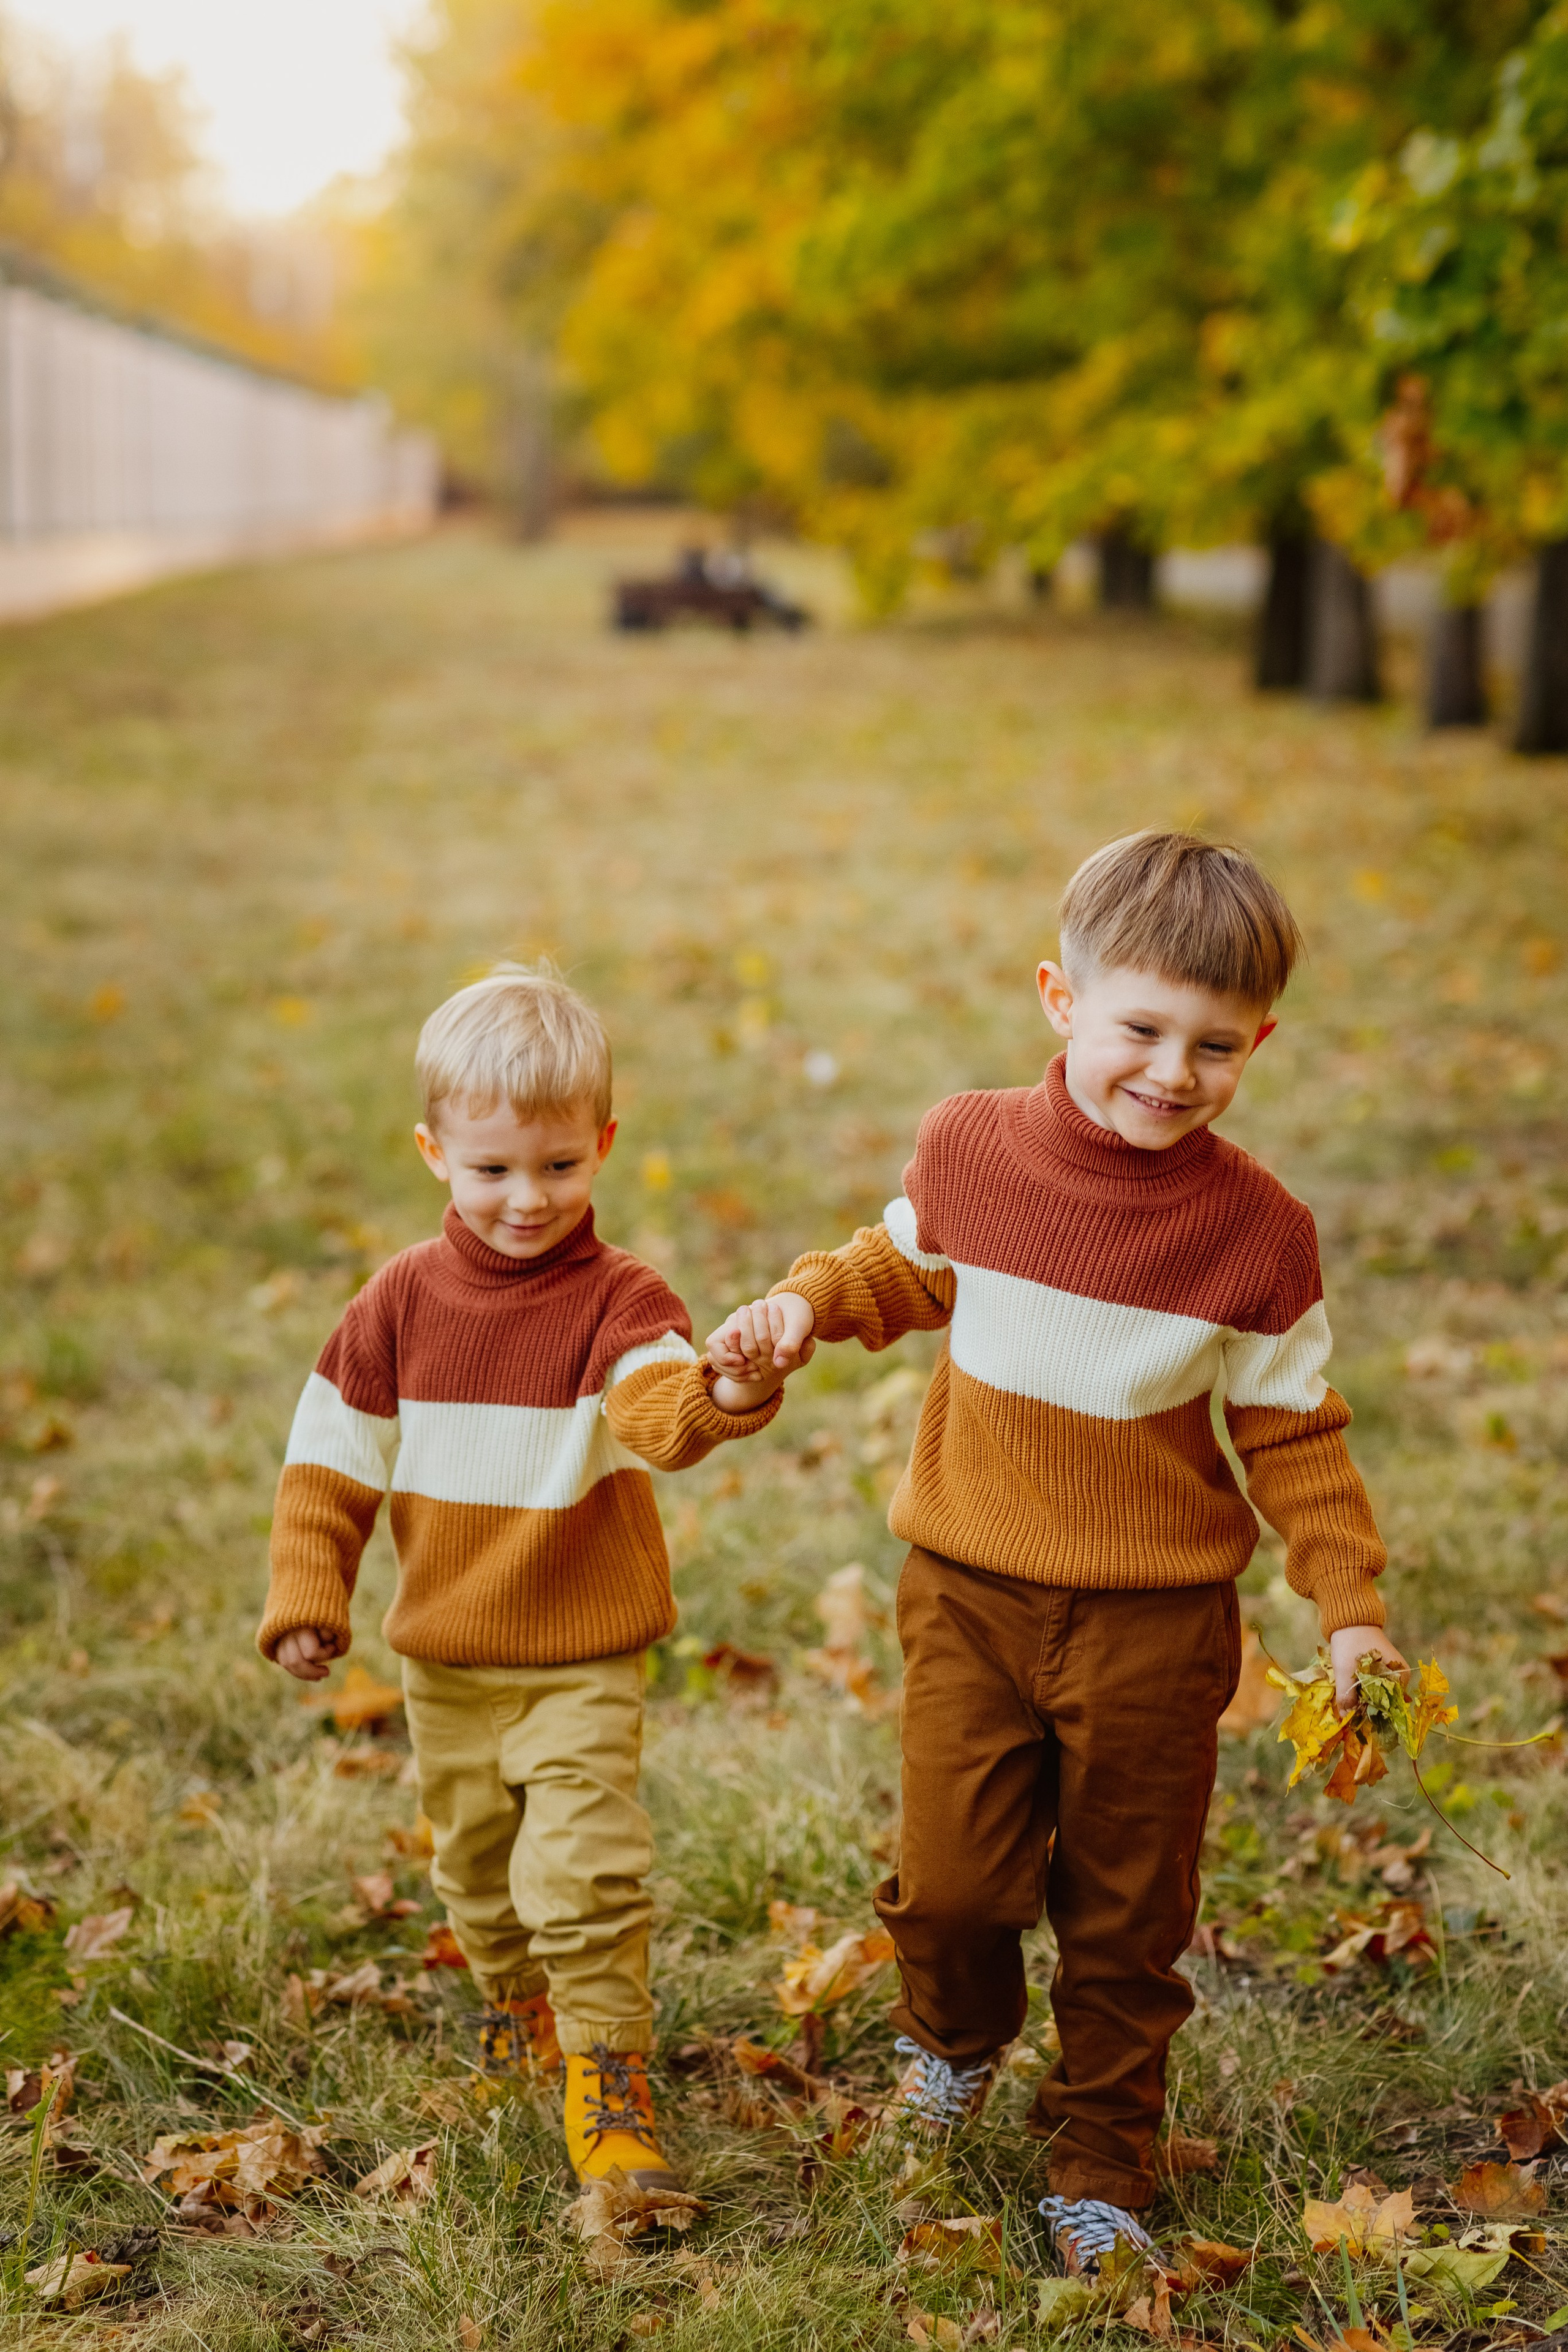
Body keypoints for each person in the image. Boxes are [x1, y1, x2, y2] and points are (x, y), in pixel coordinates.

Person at [707, 831, 1406, 2275]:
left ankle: (1100, 2150)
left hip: (1154, 1622)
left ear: (1256, 1042)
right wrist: (800, 1306)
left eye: (1212, 1047)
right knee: (953, 1882)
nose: (1167, 1071)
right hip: (968, 1589)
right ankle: (952, 2044)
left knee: (1122, 1908)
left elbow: (1293, 1432)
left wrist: (1347, 1605)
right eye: (1137, 1028)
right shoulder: (971, 1144)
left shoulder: (1257, 1234)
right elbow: (901, 1264)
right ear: (1058, 1000)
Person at [256, 963, 785, 2193]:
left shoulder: (620, 1298)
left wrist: (724, 1392)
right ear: (434, 1152)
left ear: (600, 1146)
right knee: (478, 1869)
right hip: (445, 1655)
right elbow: (329, 1462)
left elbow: (655, 1406)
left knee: (586, 1867)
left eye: (558, 1166)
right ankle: (515, 2002)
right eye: (492, 1168)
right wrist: (306, 1594)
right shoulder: (393, 1306)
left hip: (583, 1651)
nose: (527, 1198)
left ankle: (609, 2074)